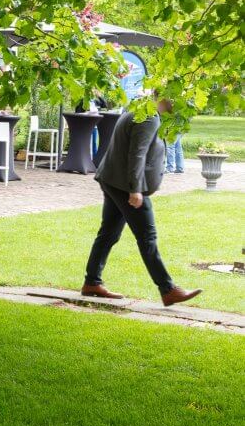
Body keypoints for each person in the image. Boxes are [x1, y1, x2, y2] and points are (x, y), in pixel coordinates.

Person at [82, 98, 202, 307]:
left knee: (108, 234)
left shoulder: (140, 109)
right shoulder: (148, 117)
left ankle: (92, 282)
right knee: (147, 237)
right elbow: (137, 153)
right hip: (125, 185)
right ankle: (168, 290)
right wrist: (135, 189)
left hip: (113, 179)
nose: (182, 102)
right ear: (166, 96)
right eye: (178, 97)